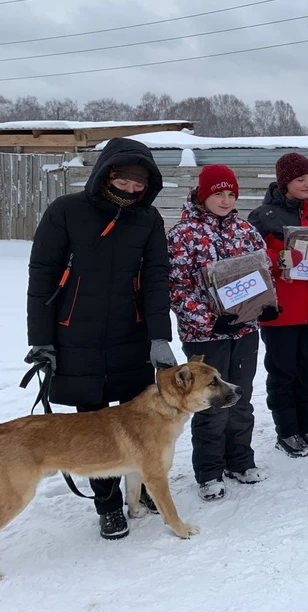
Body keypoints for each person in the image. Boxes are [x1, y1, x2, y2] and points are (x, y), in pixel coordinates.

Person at [25, 137, 176, 540]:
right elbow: (42, 275)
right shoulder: (66, 212)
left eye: (138, 183)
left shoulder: (149, 220)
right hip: (76, 336)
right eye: (123, 179)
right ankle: (108, 505)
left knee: (139, 421)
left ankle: (140, 491)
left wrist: (160, 336)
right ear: (106, 172)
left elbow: (157, 278)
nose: (130, 188)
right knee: (92, 427)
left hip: (132, 335)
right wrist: (41, 340)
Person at [167, 165, 279, 501]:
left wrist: (267, 305)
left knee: (240, 398)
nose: (226, 200)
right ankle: (209, 471)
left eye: (231, 194)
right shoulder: (182, 235)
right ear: (204, 195)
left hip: (244, 331)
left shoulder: (245, 230)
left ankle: (240, 460)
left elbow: (263, 273)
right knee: (210, 404)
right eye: (219, 193)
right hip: (206, 336)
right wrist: (206, 320)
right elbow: (176, 287)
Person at [248, 153, 308, 458]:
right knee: (283, 372)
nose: (307, 184)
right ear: (284, 182)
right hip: (281, 310)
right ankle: (287, 431)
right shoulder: (263, 217)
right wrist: (277, 261)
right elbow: (251, 263)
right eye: (300, 179)